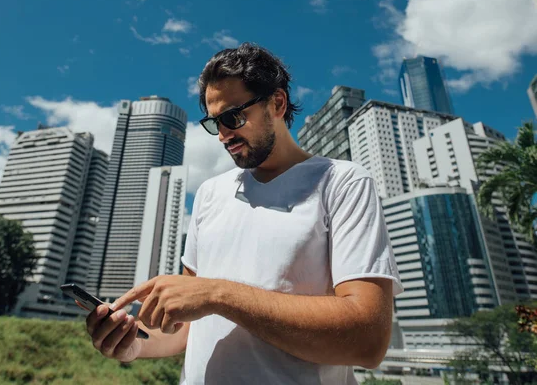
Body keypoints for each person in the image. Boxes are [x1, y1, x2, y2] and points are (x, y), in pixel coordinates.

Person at [83, 42, 404, 384]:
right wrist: (132, 344)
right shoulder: (210, 194)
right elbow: (186, 331)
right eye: (213, 123)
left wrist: (218, 294)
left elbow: (368, 340)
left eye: (232, 117)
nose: (223, 135)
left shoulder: (342, 183)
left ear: (277, 103)